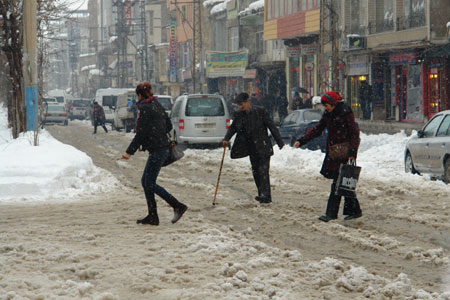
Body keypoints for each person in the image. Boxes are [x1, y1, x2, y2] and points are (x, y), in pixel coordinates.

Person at [121, 82, 187, 226]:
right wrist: (157, 131)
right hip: (162, 147)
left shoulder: (145, 108)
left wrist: (129, 152)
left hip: (158, 149)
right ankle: (153, 216)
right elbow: (168, 125)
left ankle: (177, 206)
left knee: (149, 183)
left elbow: (141, 133)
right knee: (146, 182)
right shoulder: (156, 104)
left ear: (139, 94)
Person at [294, 91, 362, 222]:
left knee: (338, 183)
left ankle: (331, 213)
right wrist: (302, 140)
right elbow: (317, 129)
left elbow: (354, 134)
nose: (325, 108)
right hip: (334, 152)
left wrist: (353, 153)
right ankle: (355, 210)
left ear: (334, 103)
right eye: (324, 105)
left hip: (345, 153)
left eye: (327, 105)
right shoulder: (328, 114)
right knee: (343, 182)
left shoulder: (346, 113)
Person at [222, 92, 284, 204]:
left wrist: (280, 142)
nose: (240, 107)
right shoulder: (239, 115)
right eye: (238, 105)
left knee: (263, 171)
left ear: (248, 101)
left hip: (263, 146)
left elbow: (272, 126)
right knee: (256, 172)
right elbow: (233, 128)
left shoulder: (260, 112)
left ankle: (265, 195)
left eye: (242, 104)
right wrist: (226, 138)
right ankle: (262, 193)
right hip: (251, 148)